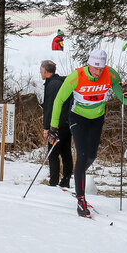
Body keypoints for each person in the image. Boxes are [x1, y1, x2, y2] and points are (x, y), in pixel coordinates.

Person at [49, 48, 127, 217]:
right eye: (95, 68)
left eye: (101, 69)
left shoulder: (111, 75)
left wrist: (126, 93)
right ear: (89, 64)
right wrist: (53, 127)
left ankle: (78, 173)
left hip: (97, 119)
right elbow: (59, 100)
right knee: (82, 154)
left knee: (91, 156)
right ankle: (81, 200)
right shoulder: (76, 76)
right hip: (78, 118)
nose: (98, 73)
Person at [40, 60, 72, 188]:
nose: (40, 73)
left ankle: (53, 182)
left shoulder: (52, 84)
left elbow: (50, 107)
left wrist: (46, 127)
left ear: (45, 71)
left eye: (41, 70)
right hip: (68, 122)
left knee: (53, 154)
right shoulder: (63, 81)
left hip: (56, 124)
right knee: (66, 153)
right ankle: (66, 181)